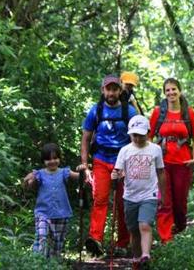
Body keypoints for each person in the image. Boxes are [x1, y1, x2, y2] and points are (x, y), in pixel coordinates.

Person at [80, 75, 138, 256]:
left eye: (114, 89)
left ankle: (122, 243)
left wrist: (133, 163)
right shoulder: (95, 111)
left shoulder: (129, 112)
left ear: (120, 91)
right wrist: (85, 165)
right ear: (103, 90)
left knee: (123, 203)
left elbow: (136, 140)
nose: (111, 92)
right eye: (108, 89)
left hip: (123, 161)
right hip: (101, 159)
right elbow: (86, 139)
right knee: (100, 199)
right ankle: (95, 240)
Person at [149, 78, 194, 243]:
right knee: (164, 201)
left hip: (183, 164)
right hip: (162, 163)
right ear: (165, 93)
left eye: (174, 89)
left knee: (180, 203)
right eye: (168, 90)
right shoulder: (158, 112)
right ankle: (166, 238)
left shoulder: (189, 113)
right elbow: (149, 137)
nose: (171, 92)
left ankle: (179, 228)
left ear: (180, 91)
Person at [112, 115, 165, 268]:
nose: (137, 138)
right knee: (134, 231)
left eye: (141, 135)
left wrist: (163, 195)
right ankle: (136, 258)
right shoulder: (125, 151)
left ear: (148, 133)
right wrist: (115, 176)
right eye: (134, 135)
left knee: (145, 225)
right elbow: (118, 172)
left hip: (149, 194)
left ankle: (146, 255)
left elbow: (161, 172)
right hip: (130, 196)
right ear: (130, 134)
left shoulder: (155, 149)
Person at [22, 142, 81, 258]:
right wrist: (30, 181)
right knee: (41, 236)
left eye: (55, 158)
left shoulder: (64, 172)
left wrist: (84, 171)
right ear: (43, 161)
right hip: (43, 213)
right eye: (48, 159)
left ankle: (53, 263)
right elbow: (27, 183)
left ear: (59, 158)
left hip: (61, 213)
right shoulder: (39, 174)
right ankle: (37, 261)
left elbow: (78, 176)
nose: (52, 161)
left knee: (57, 242)